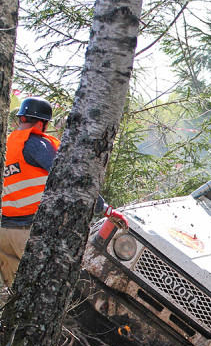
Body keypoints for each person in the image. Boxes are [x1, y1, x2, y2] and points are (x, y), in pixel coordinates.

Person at [0, 97, 126, 287]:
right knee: (38, 291)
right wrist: (105, 209)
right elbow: (73, 180)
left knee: (13, 296)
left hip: (4, 232)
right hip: (28, 233)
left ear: (21, 118)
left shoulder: (6, 145)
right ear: (42, 123)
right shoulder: (36, 145)